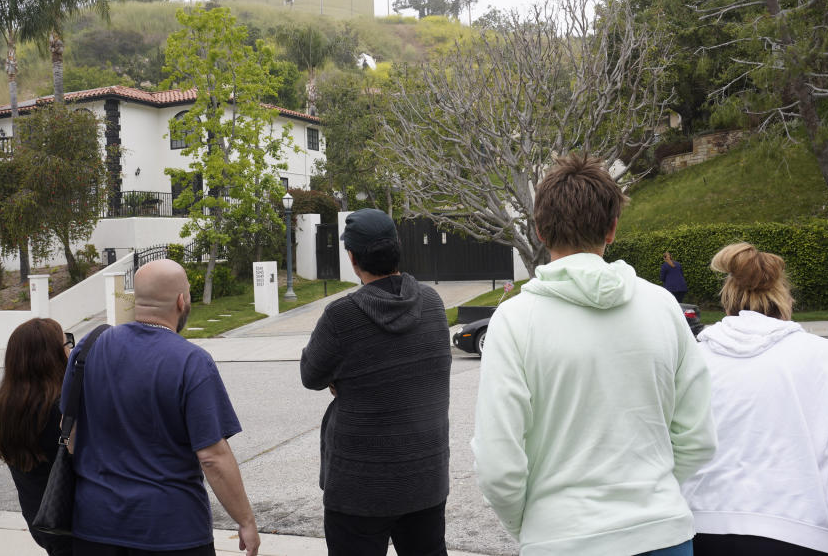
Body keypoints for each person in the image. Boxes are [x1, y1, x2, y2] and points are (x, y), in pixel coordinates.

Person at [472, 153, 716, 556]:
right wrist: (654, 498)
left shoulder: (515, 319)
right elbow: (697, 436)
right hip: (662, 533)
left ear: (539, 231)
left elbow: (499, 462)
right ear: (612, 229)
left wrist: (534, 525)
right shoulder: (662, 307)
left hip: (561, 537)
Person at [682, 243, 828, 556]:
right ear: (786, 299)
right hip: (803, 531)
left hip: (699, 528)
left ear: (727, 298)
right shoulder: (827, 358)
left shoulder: (691, 358)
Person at [63, 259, 259, 556]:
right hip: (171, 532)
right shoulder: (192, 361)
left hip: (95, 527)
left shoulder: (87, 348)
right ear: (181, 301)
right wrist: (245, 520)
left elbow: (70, 431)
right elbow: (212, 458)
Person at [300, 208, 452, 556]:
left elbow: (311, 374)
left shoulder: (341, 316)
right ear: (397, 248)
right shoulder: (432, 303)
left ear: (352, 258)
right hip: (425, 477)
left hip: (359, 488)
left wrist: (343, 378)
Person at [0, 317, 74, 556]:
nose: (70, 348)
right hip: (74, 526)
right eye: (67, 342)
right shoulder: (60, 412)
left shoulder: (7, 407)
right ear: (51, 357)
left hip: (44, 522)